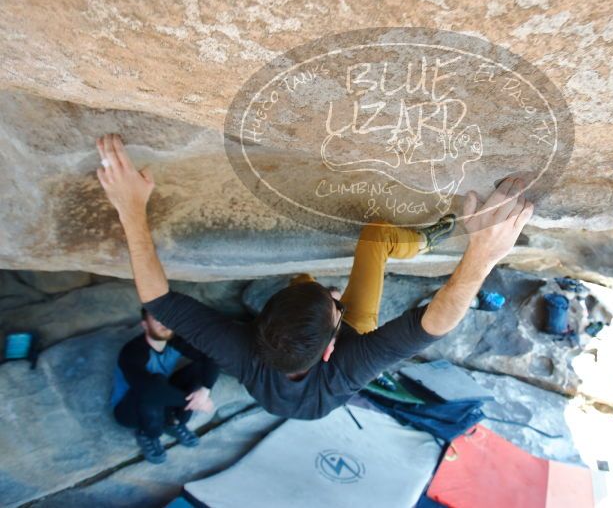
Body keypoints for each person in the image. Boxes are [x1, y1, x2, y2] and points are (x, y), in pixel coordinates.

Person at [95, 133, 533, 420]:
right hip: (320, 385)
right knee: (376, 238)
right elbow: (433, 324)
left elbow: (157, 300)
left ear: (261, 323)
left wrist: (129, 207)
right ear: (330, 349)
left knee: (303, 283)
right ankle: (428, 239)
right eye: (335, 306)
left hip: (288, 383)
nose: (335, 299)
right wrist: (482, 254)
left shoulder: (244, 350)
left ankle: (310, 293)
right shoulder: (348, 364)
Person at [111, 308, 219, 464]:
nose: (164, 323)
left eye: (166, 317)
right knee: (155, 383)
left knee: (197, 370)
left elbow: (211, 356)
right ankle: (149, 434)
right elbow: (148, 389)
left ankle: (173, 423)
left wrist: (205, 391)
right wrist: (192, 402)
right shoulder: (133, 351)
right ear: (145, 325)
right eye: (156, 319)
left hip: (160, 395)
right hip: (129, 408)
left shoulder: (175, 341)